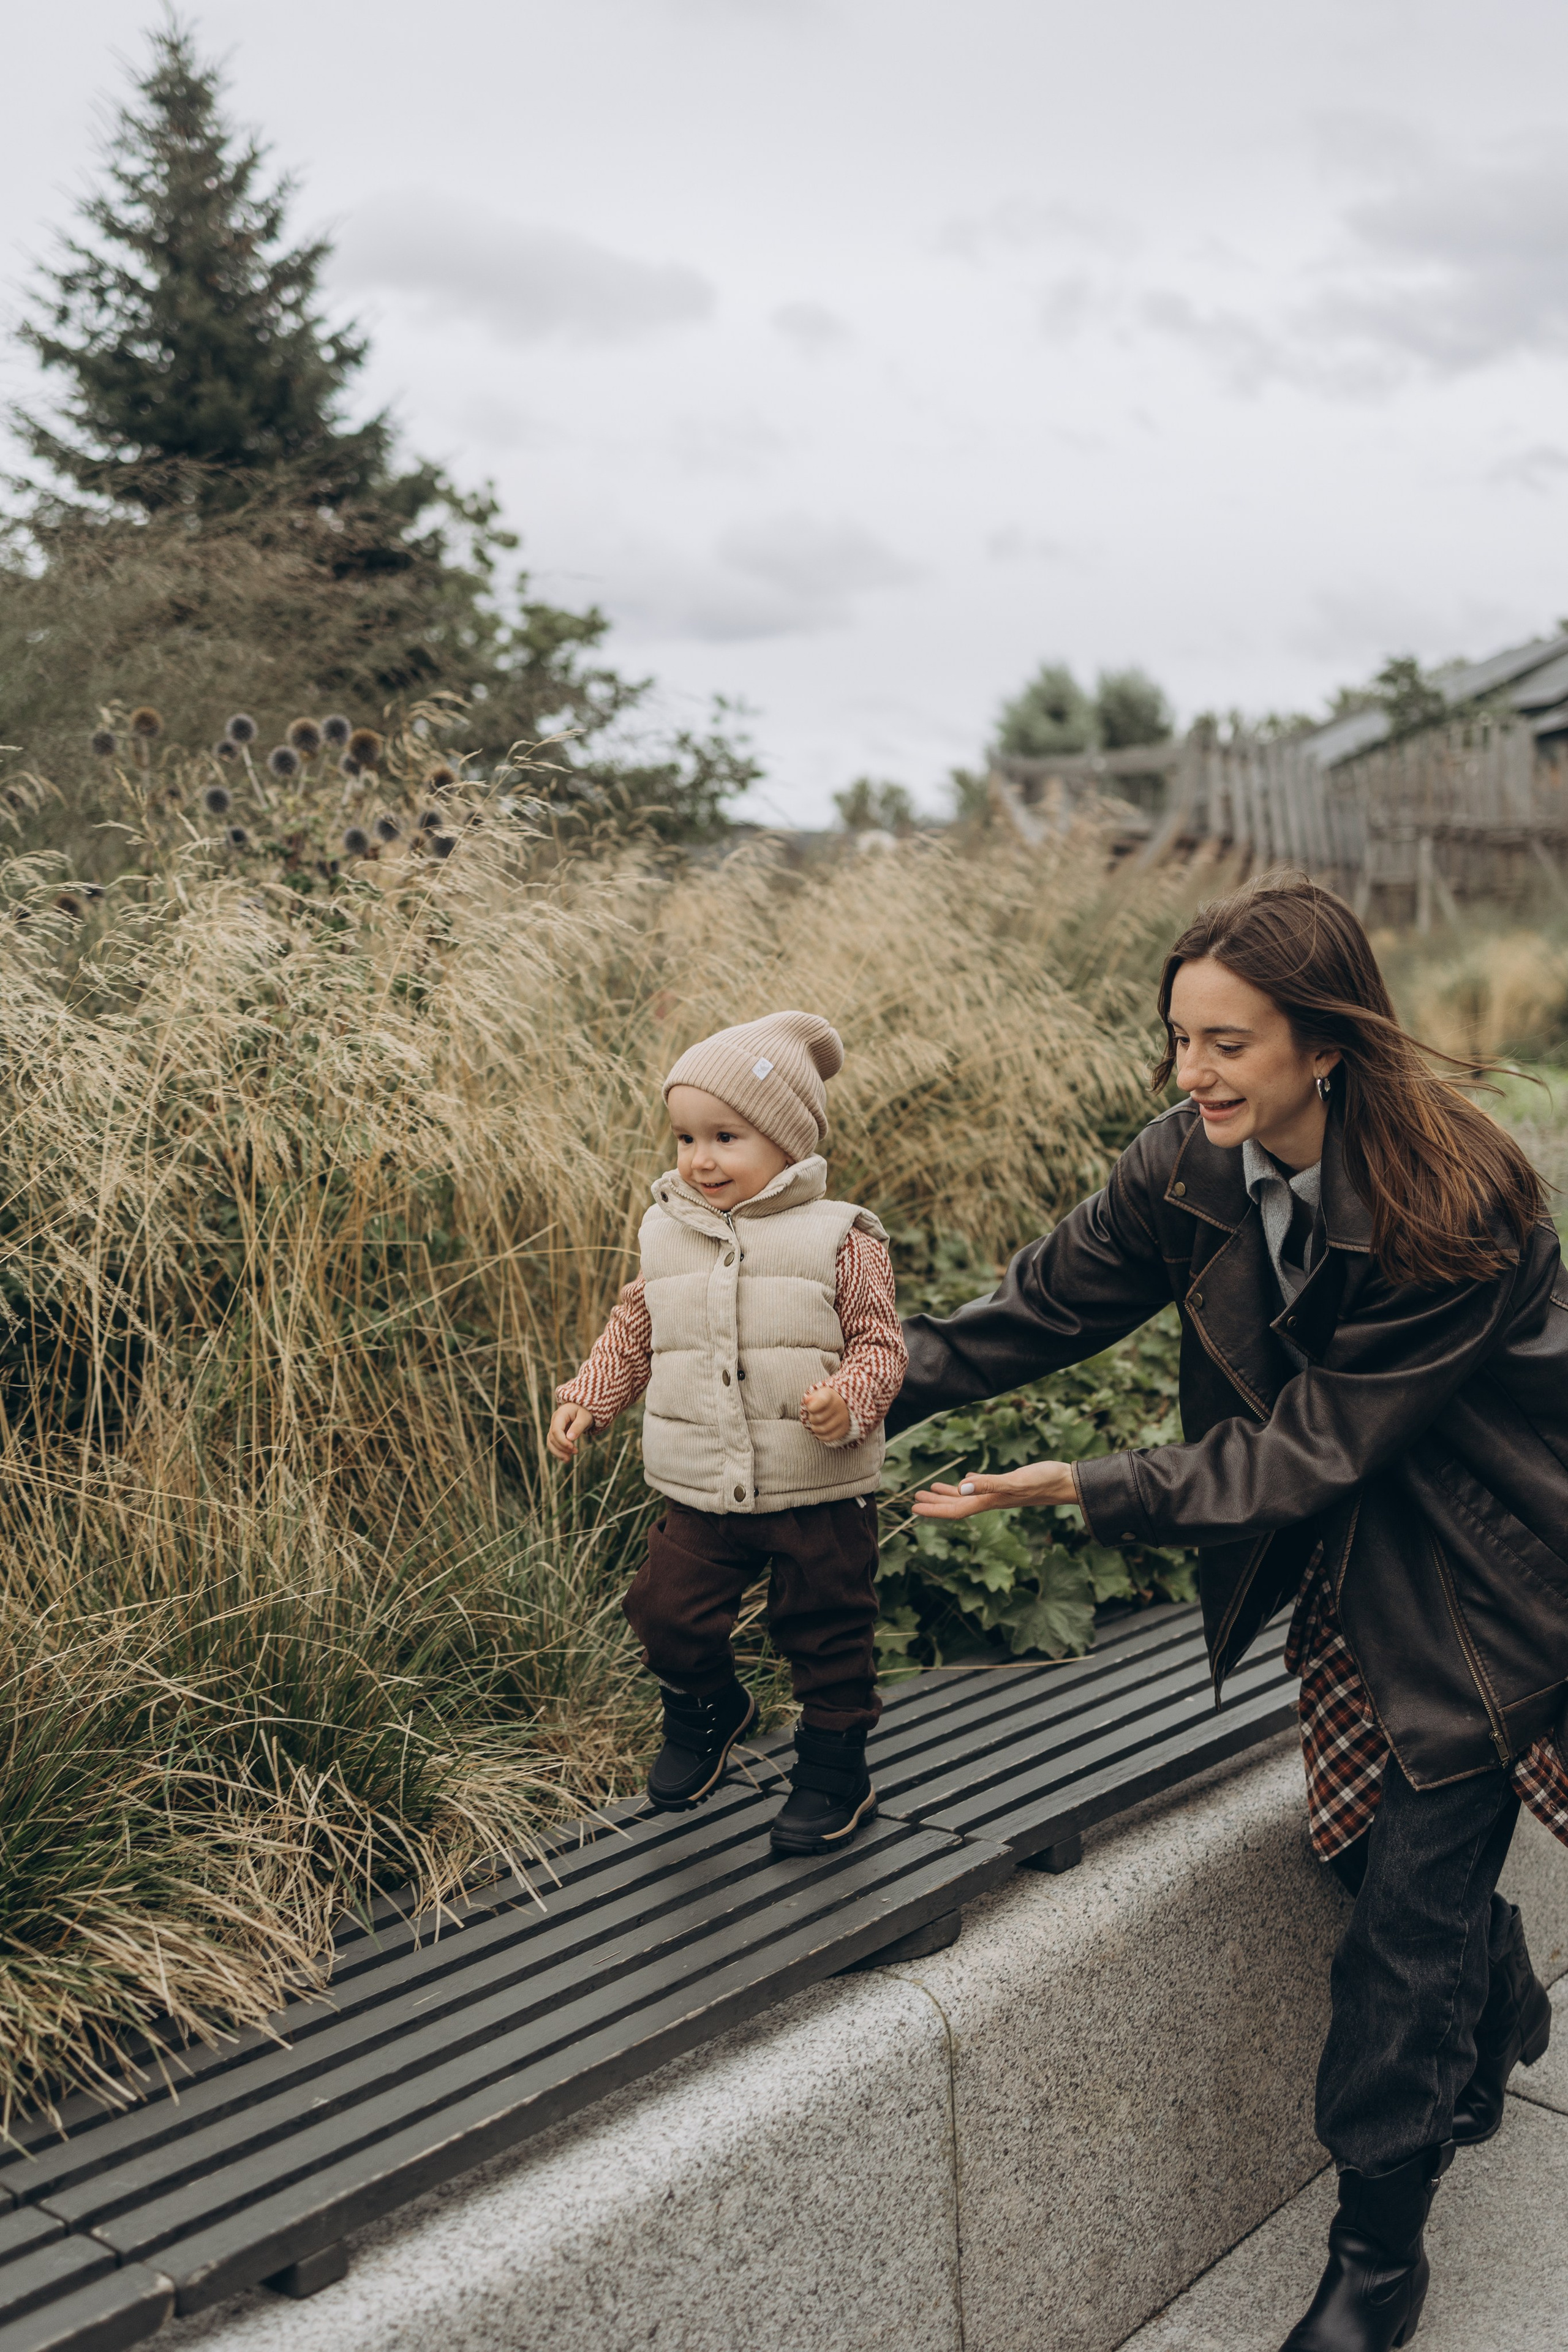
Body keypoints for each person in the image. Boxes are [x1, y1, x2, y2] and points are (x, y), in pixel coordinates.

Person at [897, 875, 1568, 2352]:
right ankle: (1493, 1990)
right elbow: (1043, 1307)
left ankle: (1375, 2263)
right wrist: (871, 1384)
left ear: (1321, 1044)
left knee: (1397, 1934)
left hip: (1484, 1573)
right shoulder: (1186, 1167)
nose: (1189, 1074)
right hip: (1340, 1555)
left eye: (1226, 1045)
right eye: (1176, 1041)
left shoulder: (1456, 1201)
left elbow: (1307, 1448)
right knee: (1368, 1860)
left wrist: (1075, 1484)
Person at [549, 1009, 907, 1855]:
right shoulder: (665, 1233)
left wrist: (849, 1399)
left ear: (788, 1142)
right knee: (663, 1611)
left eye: (725, 1136)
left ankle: (832, 1770)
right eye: (684, 1137)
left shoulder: (842, 1239)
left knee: (827, 1633)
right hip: (702, 1480)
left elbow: (883, 1346)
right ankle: (709, 1705)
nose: (699, 1159)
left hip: (816, 1485)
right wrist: (593, 1396)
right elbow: (636, 1328)